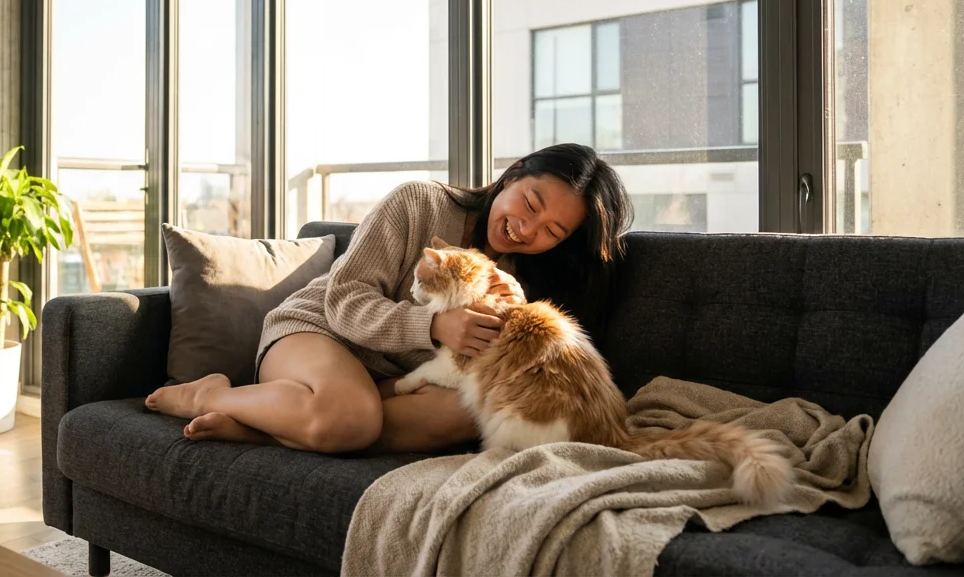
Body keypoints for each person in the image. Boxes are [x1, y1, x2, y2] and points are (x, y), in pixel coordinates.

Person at [146, 143, 634, 454]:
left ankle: (267, 426)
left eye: (551, 230)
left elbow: (492, 374)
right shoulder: (420, 202)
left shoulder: (521, 278)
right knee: (351, 417)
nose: (526, 229)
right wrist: (434, 327)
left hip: (391, 383)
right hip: (318, 332)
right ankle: (211, 394)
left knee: (467, 413)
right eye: (529, 204)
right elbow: (345, 296)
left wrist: (513, 315)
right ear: (511, 176)